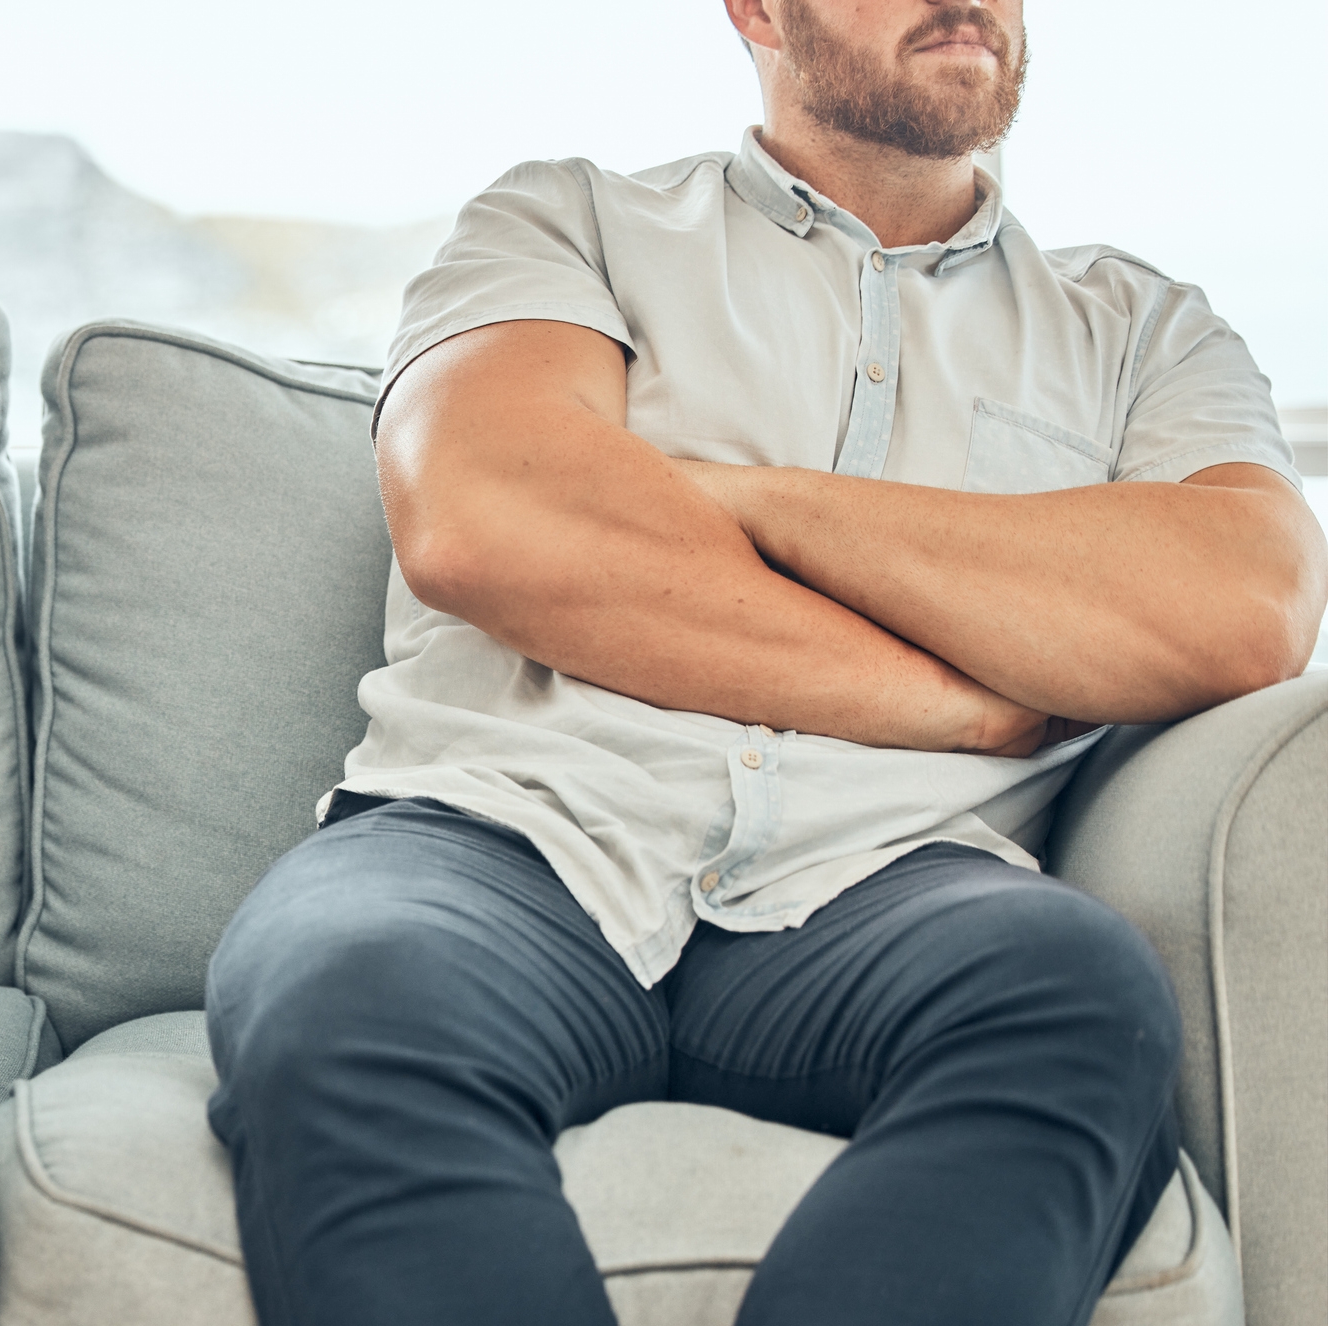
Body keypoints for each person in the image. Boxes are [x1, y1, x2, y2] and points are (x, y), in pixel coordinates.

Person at [205, 2, 1327, 1324]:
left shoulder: (1143, 331)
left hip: (895, 883)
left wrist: (739, 498)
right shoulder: (566, 222)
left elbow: (1246, 607)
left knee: (1084, 1002)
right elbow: (485, 523)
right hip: (509, 838)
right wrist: (962, 700)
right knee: (347, 991)